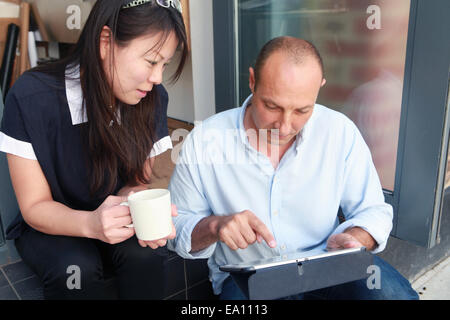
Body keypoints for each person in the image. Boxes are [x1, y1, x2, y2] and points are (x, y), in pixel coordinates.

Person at [167, 36, 419, 300]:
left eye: (302, 110)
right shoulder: (207, 139)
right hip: (249, 278)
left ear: (319, 88)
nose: (284, 127)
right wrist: (215, 226)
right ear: (252, 81)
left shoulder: (338, 131)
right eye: (272, 106)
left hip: (328, 264)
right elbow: (176, 226)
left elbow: (373, 210)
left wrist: (356, 238)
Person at [0, 0, 187, 299]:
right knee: (75, 269)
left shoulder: (151, 98)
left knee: (148, 253)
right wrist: (90, 224)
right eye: (151, 61)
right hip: (51, 222)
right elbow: (34, 206)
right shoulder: (32, 97)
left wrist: (138, 202)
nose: (157, 78)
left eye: (164, 64)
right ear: (105, 42)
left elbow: (139, 180)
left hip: (112, 215)